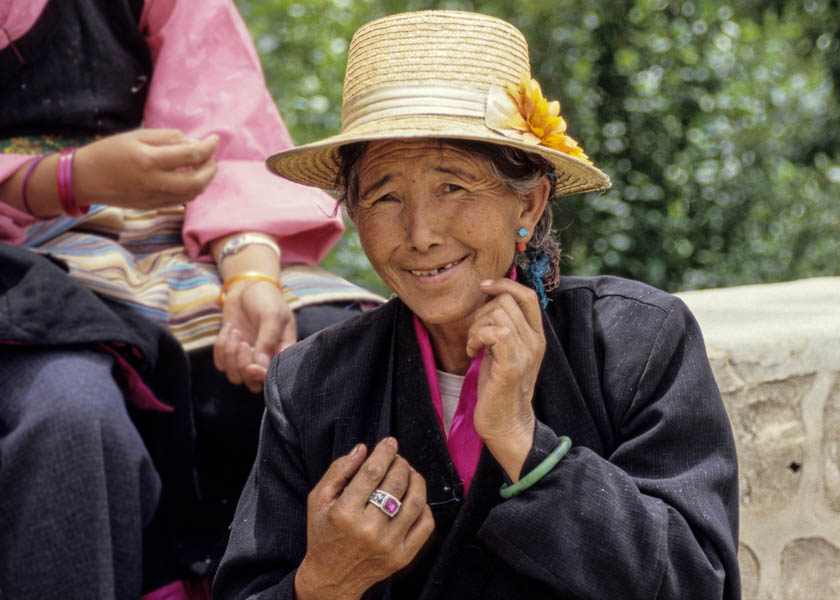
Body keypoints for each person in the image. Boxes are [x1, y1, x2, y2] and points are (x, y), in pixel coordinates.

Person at [213, 10, 741, 600]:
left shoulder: (635, 344)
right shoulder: (312, 383)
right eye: (385, 196)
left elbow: (699, 585)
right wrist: (323, 583)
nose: (420, 233)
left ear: (530, 204)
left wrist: (524, 443)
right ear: (355, 216)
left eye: (454, 187)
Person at [0, 0, 381, 598]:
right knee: (73, 404)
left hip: (176, 227)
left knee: (343, 353)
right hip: (18, 251)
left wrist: (249, 276)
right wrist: (63, 179)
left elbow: (220, 128)